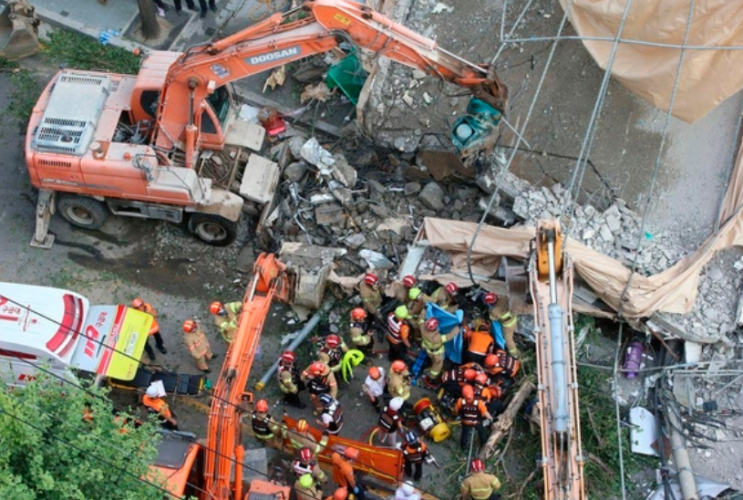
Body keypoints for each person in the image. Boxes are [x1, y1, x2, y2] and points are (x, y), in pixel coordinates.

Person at [420, 318, 459, 387]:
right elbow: (448, 336)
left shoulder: (422, 327)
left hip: (428, 349)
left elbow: (421, 319)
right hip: (436, 354)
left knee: (433, 360)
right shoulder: (435, 337)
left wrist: (424, 309)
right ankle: (432, 378)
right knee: (437, 365)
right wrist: (458, 328)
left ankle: (431, 366)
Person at [455, 385, 493, 451]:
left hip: (466, 421)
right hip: (476, 422)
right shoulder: (479, 402)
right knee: (482, 431)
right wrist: (491, 418)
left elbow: (456, 410)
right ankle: (483, 445)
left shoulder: (460, 401)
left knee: (465, 433)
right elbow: (485, 413)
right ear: (472, 392)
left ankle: (463, 446)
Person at [484, 292, 519, 357]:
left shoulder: (494, 311)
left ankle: (515, 354)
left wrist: (489, 310)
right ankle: (516, 335)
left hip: (508, 325)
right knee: (513, 330)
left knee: (508, 339)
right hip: (514, 317)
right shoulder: (503, 297)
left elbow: (492, 318)